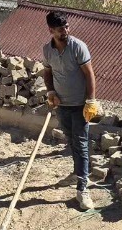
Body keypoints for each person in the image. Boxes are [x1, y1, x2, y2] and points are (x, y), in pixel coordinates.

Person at [40, 11, 100, 211]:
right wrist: (50, 92)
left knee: (81, 143)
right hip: (62, 105)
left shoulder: (78, 47)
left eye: (66, 27)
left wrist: (91, 100)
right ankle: (78, 172)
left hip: (80, 105)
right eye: (60, 29)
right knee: (71, 140)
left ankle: (83, 188)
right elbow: (48, 72)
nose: (65, 31)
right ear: (51, 30)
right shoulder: (47, 50)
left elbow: (89, 74)